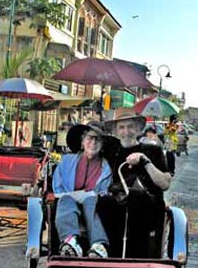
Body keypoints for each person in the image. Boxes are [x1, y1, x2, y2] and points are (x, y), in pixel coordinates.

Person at [97, 108, 171, 258]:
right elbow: (89, 142)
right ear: (116, 131)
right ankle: (110, 252)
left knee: (136, 198)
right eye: (121, 127)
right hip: (117, 204)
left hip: (147, 206)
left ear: (138, 129)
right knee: (103, 201)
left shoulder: (153, 150)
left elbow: (164, 183)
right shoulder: (111, 149)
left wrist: (145, 161)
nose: (126, 131)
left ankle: (137, 254)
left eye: (130, 127)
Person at [52, 122, 112, 258]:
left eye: (98, 139)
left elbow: (105, 191)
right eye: (90, 138)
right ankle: (70, 242)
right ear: (82, 142)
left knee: (92, 200)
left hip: (93, 206)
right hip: (67, 204)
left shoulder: (107, 168)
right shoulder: (66, 161)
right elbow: (58, 187)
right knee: (66, 199)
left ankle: (99, 246)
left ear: (102, 145)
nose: (93, 142)